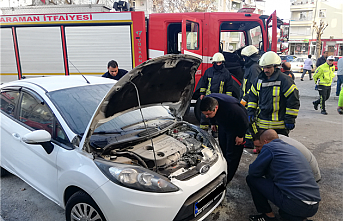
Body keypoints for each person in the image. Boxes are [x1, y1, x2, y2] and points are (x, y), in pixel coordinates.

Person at [247, 129, 321, 221]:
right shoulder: (290, 147)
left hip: (296, 204)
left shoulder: (269, 147)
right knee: (284, 214)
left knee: (251, 179)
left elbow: (253, 171)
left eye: (259, 145)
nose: (257, 149)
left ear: (265, 142)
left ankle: (268, 216)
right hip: (314, 205)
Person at [247, 51, 300, 136]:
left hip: (279, 127)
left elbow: (293, 101)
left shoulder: (285, 80)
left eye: (268, 67)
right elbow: (252, 97)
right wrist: (250, 112)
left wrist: (290, 119)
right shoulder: (258, 80)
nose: (265, 70)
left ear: (275, 66)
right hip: (262, 125)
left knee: (278, 149)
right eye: (264, 68)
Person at [200, 94, 249, 183]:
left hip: (236, 127)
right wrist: (213, 122)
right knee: (222, 149)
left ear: (216, 108)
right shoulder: (208, 101)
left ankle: (227, 178)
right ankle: (222, 169)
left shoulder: (233, 108)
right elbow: (209, 114)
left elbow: (244, 121)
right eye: (205, 114)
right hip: (224, 125)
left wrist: (240, 136)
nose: (206, 116)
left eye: (208, 114)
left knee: (232, 154)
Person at [252, 130, 321, 182]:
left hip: (310, 178)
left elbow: (255, 171)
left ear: (265, 141)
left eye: (258, 146)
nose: (257, 149)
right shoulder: (276, 138)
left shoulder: (276, 148)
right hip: (309, 174)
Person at [198, 52, 239, 131]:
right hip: (208, 97)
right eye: (216, 62)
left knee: (218, 116)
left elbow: (229, 87)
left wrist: (228, 99)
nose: (218, 64)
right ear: (213, 63)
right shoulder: (208, 71)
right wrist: (202, 94)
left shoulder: (226, 73)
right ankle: (203, 133)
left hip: (220, 99)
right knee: (205, 116)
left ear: (222, 62)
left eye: (220, 62)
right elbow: (203, 83)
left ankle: (215, 132)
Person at [239, 45, 262, 149]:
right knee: (248, 121)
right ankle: (249, 141)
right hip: (247, 99)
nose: (244, 60)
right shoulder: (250, 67)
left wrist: (245, 98)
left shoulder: (254, 68)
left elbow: (254, 86)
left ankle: (254, 141)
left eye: (245, 58)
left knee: (252, 121)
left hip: (251, 100)